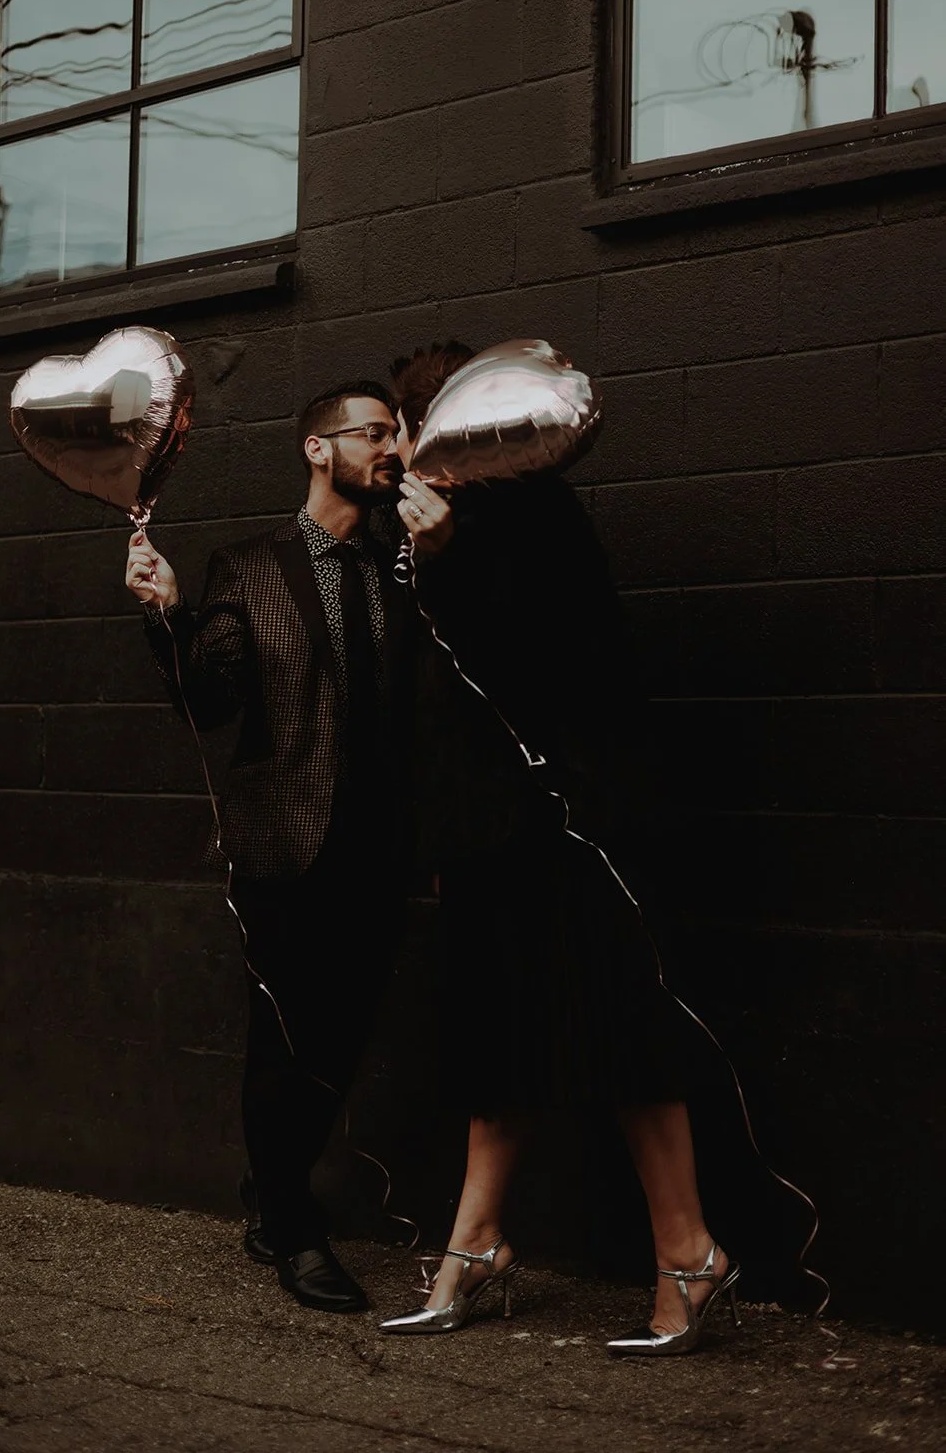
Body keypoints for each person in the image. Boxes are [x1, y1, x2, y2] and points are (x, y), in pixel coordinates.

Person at [378, 343, 739, 1357]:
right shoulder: (437, 529)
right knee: (494, 1043)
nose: (395, 449)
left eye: (399, 425)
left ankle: (689, 1255)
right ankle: (474, 1246)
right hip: (488, 836)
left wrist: (447, 560)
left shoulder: (530, 517)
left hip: (566, 829)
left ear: (434, 427)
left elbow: (541, 671)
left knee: (621, 1036)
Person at [125, 382, 415, 1315]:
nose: (392, 448)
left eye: (398, 433)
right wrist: (167, 613)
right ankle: (292, 1227)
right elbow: (210, 703)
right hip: (283, 839)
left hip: (381, 844)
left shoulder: (404, 565)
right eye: (375, 433)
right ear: (317, 449)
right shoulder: (249, 567)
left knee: (341, 1037)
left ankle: (270, 1190)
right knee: (283, 1040)